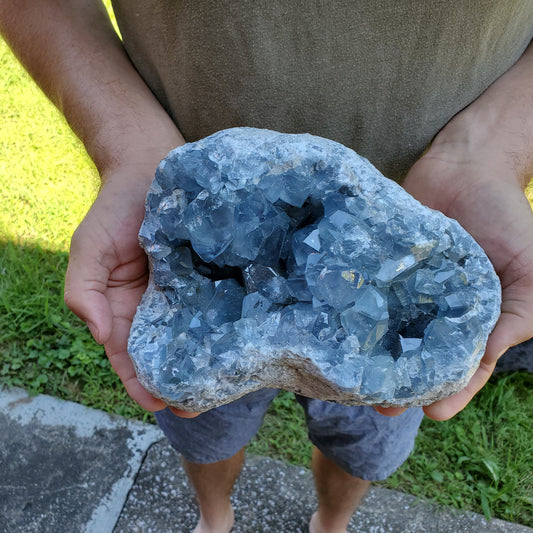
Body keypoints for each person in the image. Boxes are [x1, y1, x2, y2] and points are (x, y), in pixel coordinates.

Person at [2, 2, 533, 532]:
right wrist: (127, 143)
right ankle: (215, 518)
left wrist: (493, 152)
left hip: (418, 248)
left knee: (365, 444)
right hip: (189, 198)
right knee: (203, 431)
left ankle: (330, 523)